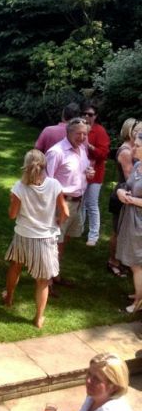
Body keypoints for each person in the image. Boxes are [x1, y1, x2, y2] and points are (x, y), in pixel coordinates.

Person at [4, 149, 69, 328]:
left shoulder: (19, 187)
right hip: (46, 238)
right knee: (42, 281)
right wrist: (58, 222)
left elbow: (12, 215)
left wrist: (12, 202)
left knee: (15, 267)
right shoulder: (55, 185)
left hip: (23, 235)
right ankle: (39, 318)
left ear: (26, 165)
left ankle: (9, 298)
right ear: (44, 165)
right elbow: (65, 212)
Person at [45, 117, 93, 291]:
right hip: (61, 203)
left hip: (77, 203)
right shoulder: (56, 152)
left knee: (63, 241)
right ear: (69, 132)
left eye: (85, 134)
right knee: (53, 241)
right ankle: (47, 282)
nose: (82, 137)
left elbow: (82, 171)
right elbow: (46, 181)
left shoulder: (81, 149)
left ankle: (55, 275)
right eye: (79, 133)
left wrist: (89, 173)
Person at [107, 118, 141, 277]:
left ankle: (126, 262)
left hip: (129, 196)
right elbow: (130, 179)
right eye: (136, 129)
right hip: (123, 195)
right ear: (129, 130)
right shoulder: (127, 151)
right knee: (118, 231)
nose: (138, 132)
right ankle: (113, 261)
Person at [116, 130, 142, 313]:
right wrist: (120, 192)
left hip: (139, 221)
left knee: (137, 264)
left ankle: (139, 302)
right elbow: (127, 185)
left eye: (138, 145)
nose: (134, 148)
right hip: (131, 217)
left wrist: (132, 200)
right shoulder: (138, 165)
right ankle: (138, 292)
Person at [81, 102, 110, 247]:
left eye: (90, 114)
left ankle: (93, 235)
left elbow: (104, 154)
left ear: (95, 116)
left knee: (91, 204)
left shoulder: (100, 131)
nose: (87, 116)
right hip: (80, 173)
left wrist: (90, 147)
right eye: (84, 113)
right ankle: (79, 229)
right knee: (80, 203)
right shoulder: (79, 128)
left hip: (95, 174)